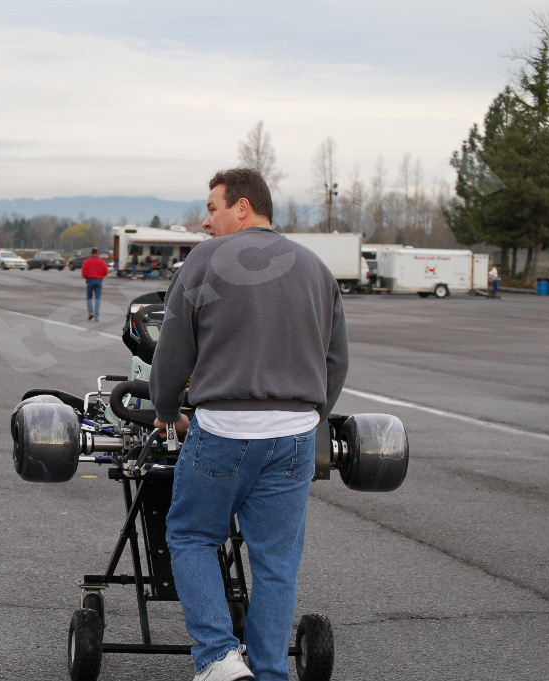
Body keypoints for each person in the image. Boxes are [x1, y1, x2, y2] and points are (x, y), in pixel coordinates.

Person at [149, 168, 348, 681]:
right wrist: (311, 415)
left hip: (225, 427)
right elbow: (336, 359)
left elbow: (173, 349)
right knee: (276, 562)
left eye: (212, 208)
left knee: (191, 536)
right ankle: (269, 671)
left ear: (242, 207)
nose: (206, 220)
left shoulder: (206, 260)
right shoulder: (316, 267)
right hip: (296, 431)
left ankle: (219, 657)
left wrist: (167, 410)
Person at [81, 247, 109, 321]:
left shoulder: (87, 261)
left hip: (90, 280)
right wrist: (101, 276)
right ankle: (96, 316)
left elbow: (84, 272)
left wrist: (87, 277)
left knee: (89, 298)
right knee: (98, 298)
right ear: (98, 253)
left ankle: (90, 313)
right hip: (99, 281)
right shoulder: (102, 262)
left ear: (91, 253)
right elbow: (106, 271)